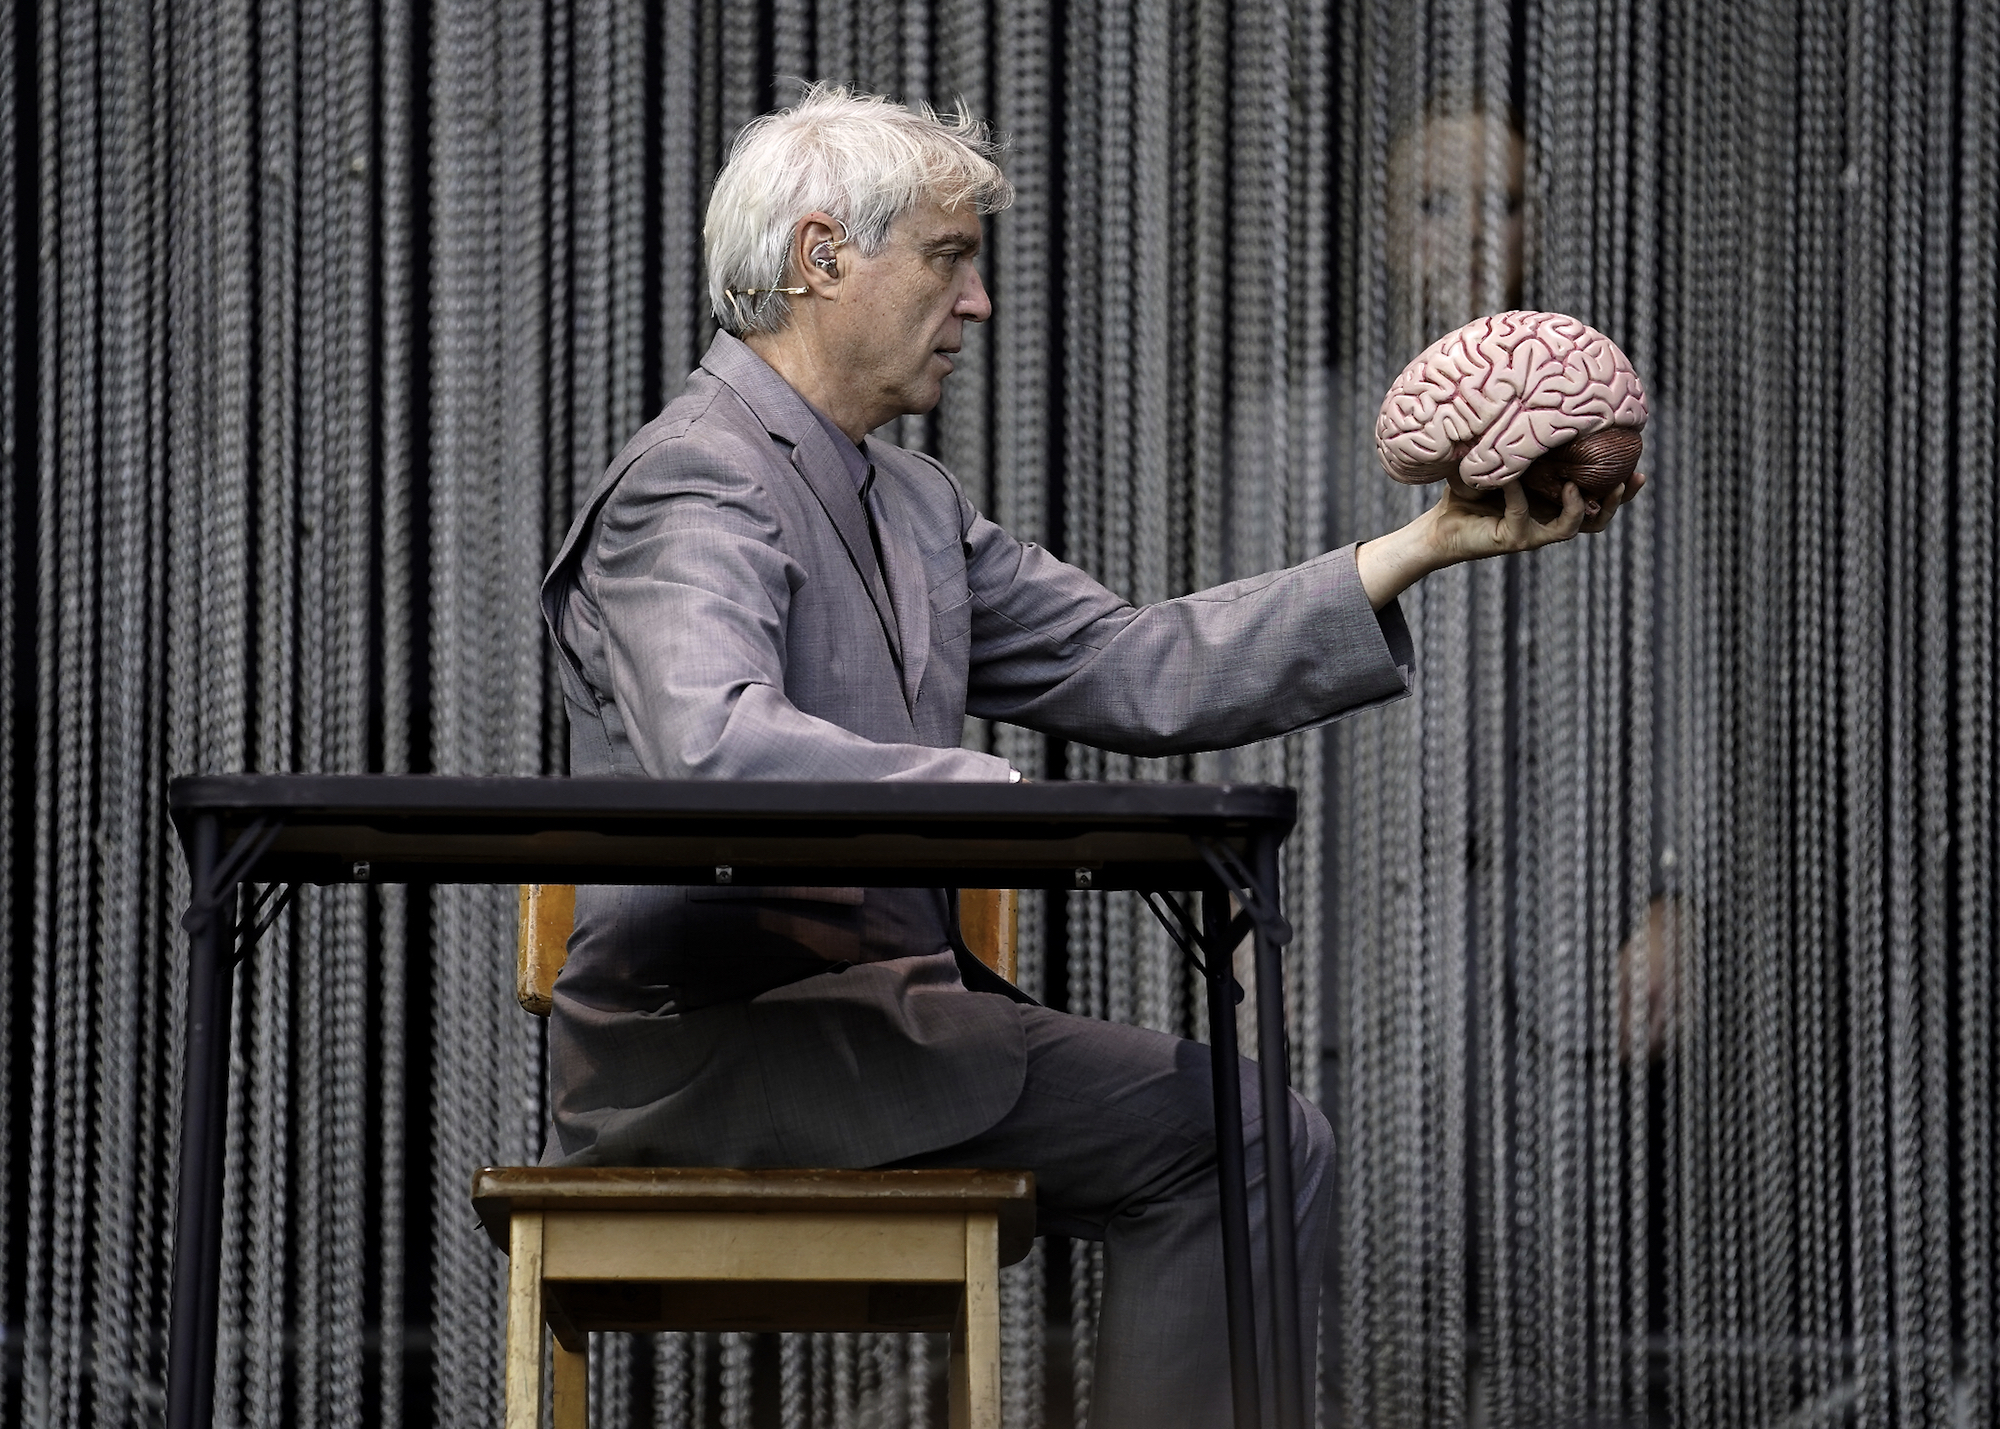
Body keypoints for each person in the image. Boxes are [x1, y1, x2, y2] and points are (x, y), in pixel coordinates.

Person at [537, 84, 1639, 1427]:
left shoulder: (912, 498)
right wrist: (995, 800)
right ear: (822, 258)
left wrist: (1423, 544)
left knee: (1240, 1127)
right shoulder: (692, 476)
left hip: (868, 1037)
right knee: (1238, 1137)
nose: (980, 300)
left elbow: (1134, 661)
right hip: (719, 1055)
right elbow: (715, 744)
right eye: (950, 256)